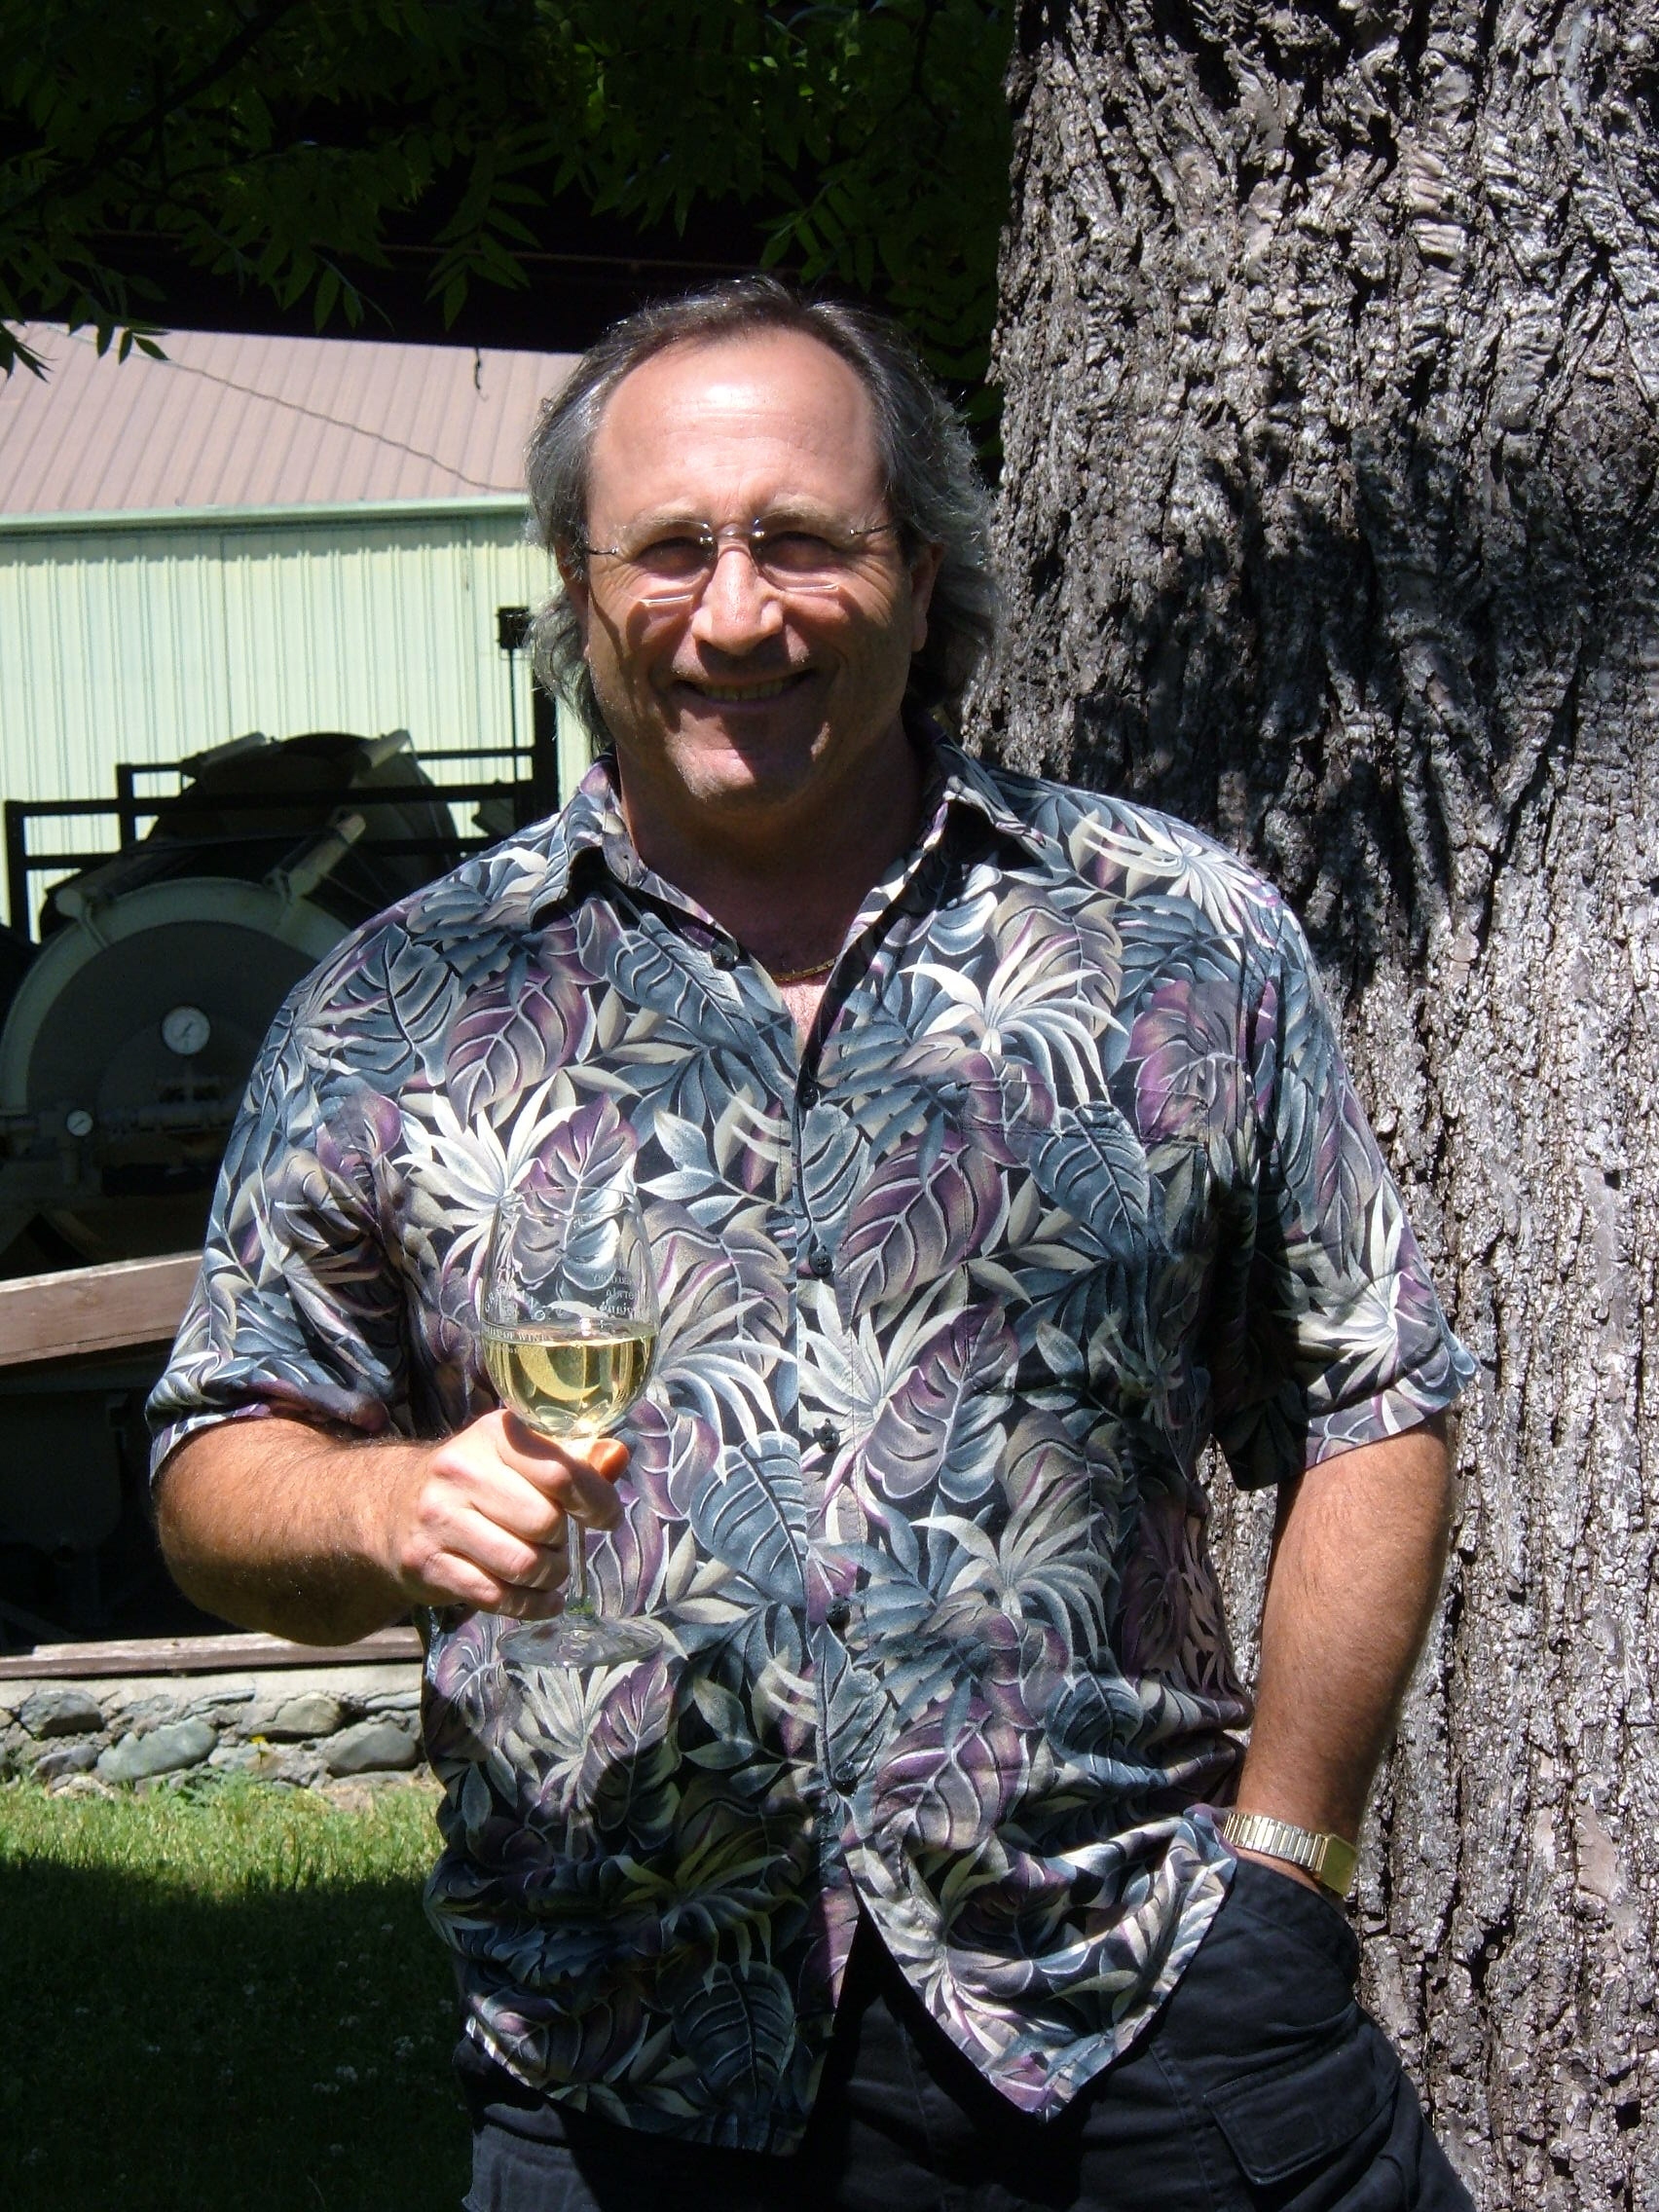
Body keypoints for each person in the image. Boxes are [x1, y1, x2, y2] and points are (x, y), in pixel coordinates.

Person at [150, 276, 1478, 2211]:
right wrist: (383, 1504)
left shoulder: (1173, 937)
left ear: (922, 576)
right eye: (671, 549)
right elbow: (212, 1465)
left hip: (1134, 2020)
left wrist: (1288, 1869)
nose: (736, 613)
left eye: (802, 541)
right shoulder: (401, 1006)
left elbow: (1373, 1396)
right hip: (622, 2065)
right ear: (579, 587)